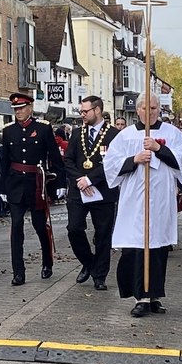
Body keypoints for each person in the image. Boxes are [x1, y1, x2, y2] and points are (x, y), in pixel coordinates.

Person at [105, 94, 182, 317]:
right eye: (145, 107)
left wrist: (158, 149)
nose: (149, 111)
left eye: (153, 107)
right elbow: (111, 166)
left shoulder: (172, 134)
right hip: (135, 200)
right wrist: (134, 160)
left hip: (161, 199)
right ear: (138, 110)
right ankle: (140, 297)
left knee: (157, 247)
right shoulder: (125, 136)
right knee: (136, 247)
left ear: (159, 109)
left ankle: (154, 295)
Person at [0, 92, 66, 285]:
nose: (18, 112)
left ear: (30, 108)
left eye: (21, 109)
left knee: (39, 225)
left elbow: (54, 157)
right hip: (15, 183)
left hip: (36, 183)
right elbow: (5, 160)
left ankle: (47, 262)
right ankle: (18, 272)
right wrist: (3, 187)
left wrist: (60, 183)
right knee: (16, 226)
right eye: (15, 109)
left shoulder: (43, 129)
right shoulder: (9, 131)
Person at [63, 96, 120, 290]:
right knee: (74, 228)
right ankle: (89, 263)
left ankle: (100, 276)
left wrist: (91, 179)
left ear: (97, 110)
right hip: (79, 191)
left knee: (103, 234)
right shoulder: (77, 133)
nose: (82, 114)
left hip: (103, 191)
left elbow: (113, 163)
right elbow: (68, 160)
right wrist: (81, 180)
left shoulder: (113, 135)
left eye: (85, 111)